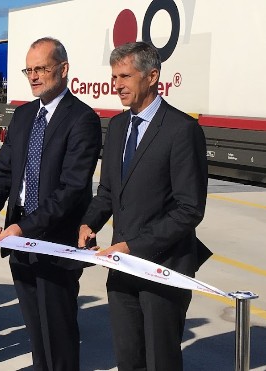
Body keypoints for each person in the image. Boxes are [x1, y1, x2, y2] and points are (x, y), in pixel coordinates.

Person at [78, 42, 210, 371]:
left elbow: (189, 209)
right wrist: (88, 223)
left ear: (152, 76)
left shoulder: (182, 130)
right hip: (122, 268)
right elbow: (108, 189)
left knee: (160, 361)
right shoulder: (119, 126)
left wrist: (133, 246)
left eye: (125, 76)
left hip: (164, 268)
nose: (116, 84)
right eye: (113, 76)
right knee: (128, 358)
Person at [0, 37, 102, 371]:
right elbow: (4, 168)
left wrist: (26, 225)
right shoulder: (22, 115)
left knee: (58, 334)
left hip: (55, 243)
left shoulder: (82, 119)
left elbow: (73, 188)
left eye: (41, 69)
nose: (34, 76)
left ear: (63, 70)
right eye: (29, 70)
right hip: (19, 241)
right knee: (35, 330)